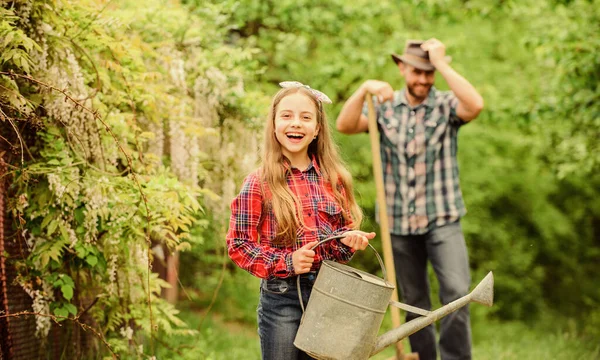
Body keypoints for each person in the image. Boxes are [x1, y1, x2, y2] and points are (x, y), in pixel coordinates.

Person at [336, 39, 484, 360]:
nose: (423, 79)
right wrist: (363, 90)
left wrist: (442, 64)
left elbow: (475, 105)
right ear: (402, 68)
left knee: (457, 293)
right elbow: (344, 125)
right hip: (398, 222)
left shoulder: (446, 104)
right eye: (417, 71)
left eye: (429, 73)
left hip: (443, 219)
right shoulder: (383, 107)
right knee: (414, 301)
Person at [226, 81, 376, 360]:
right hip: (281, 299)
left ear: (317, 128)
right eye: (286, 115)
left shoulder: (334, 179)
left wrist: (348, 241)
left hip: (328, 295)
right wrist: (287, 262)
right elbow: (239, 245)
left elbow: (337, 250)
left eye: (306, 117)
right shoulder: (259, 182)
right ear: (273, 124)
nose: (296, 124)